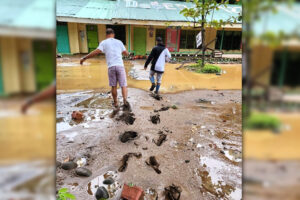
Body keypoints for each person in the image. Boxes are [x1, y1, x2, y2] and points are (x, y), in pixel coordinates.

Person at [80, 28, 129, 108]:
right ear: (113, 35)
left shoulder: (104, 42)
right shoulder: (119, 42)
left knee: (113, 86)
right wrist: (127, 53)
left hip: (111, 67)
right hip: (120, 66)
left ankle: (116, 103)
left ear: (106, 35)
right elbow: (126, 53)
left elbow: (96, 52)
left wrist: (84, 58)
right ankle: (125, 100)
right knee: (123, 85)